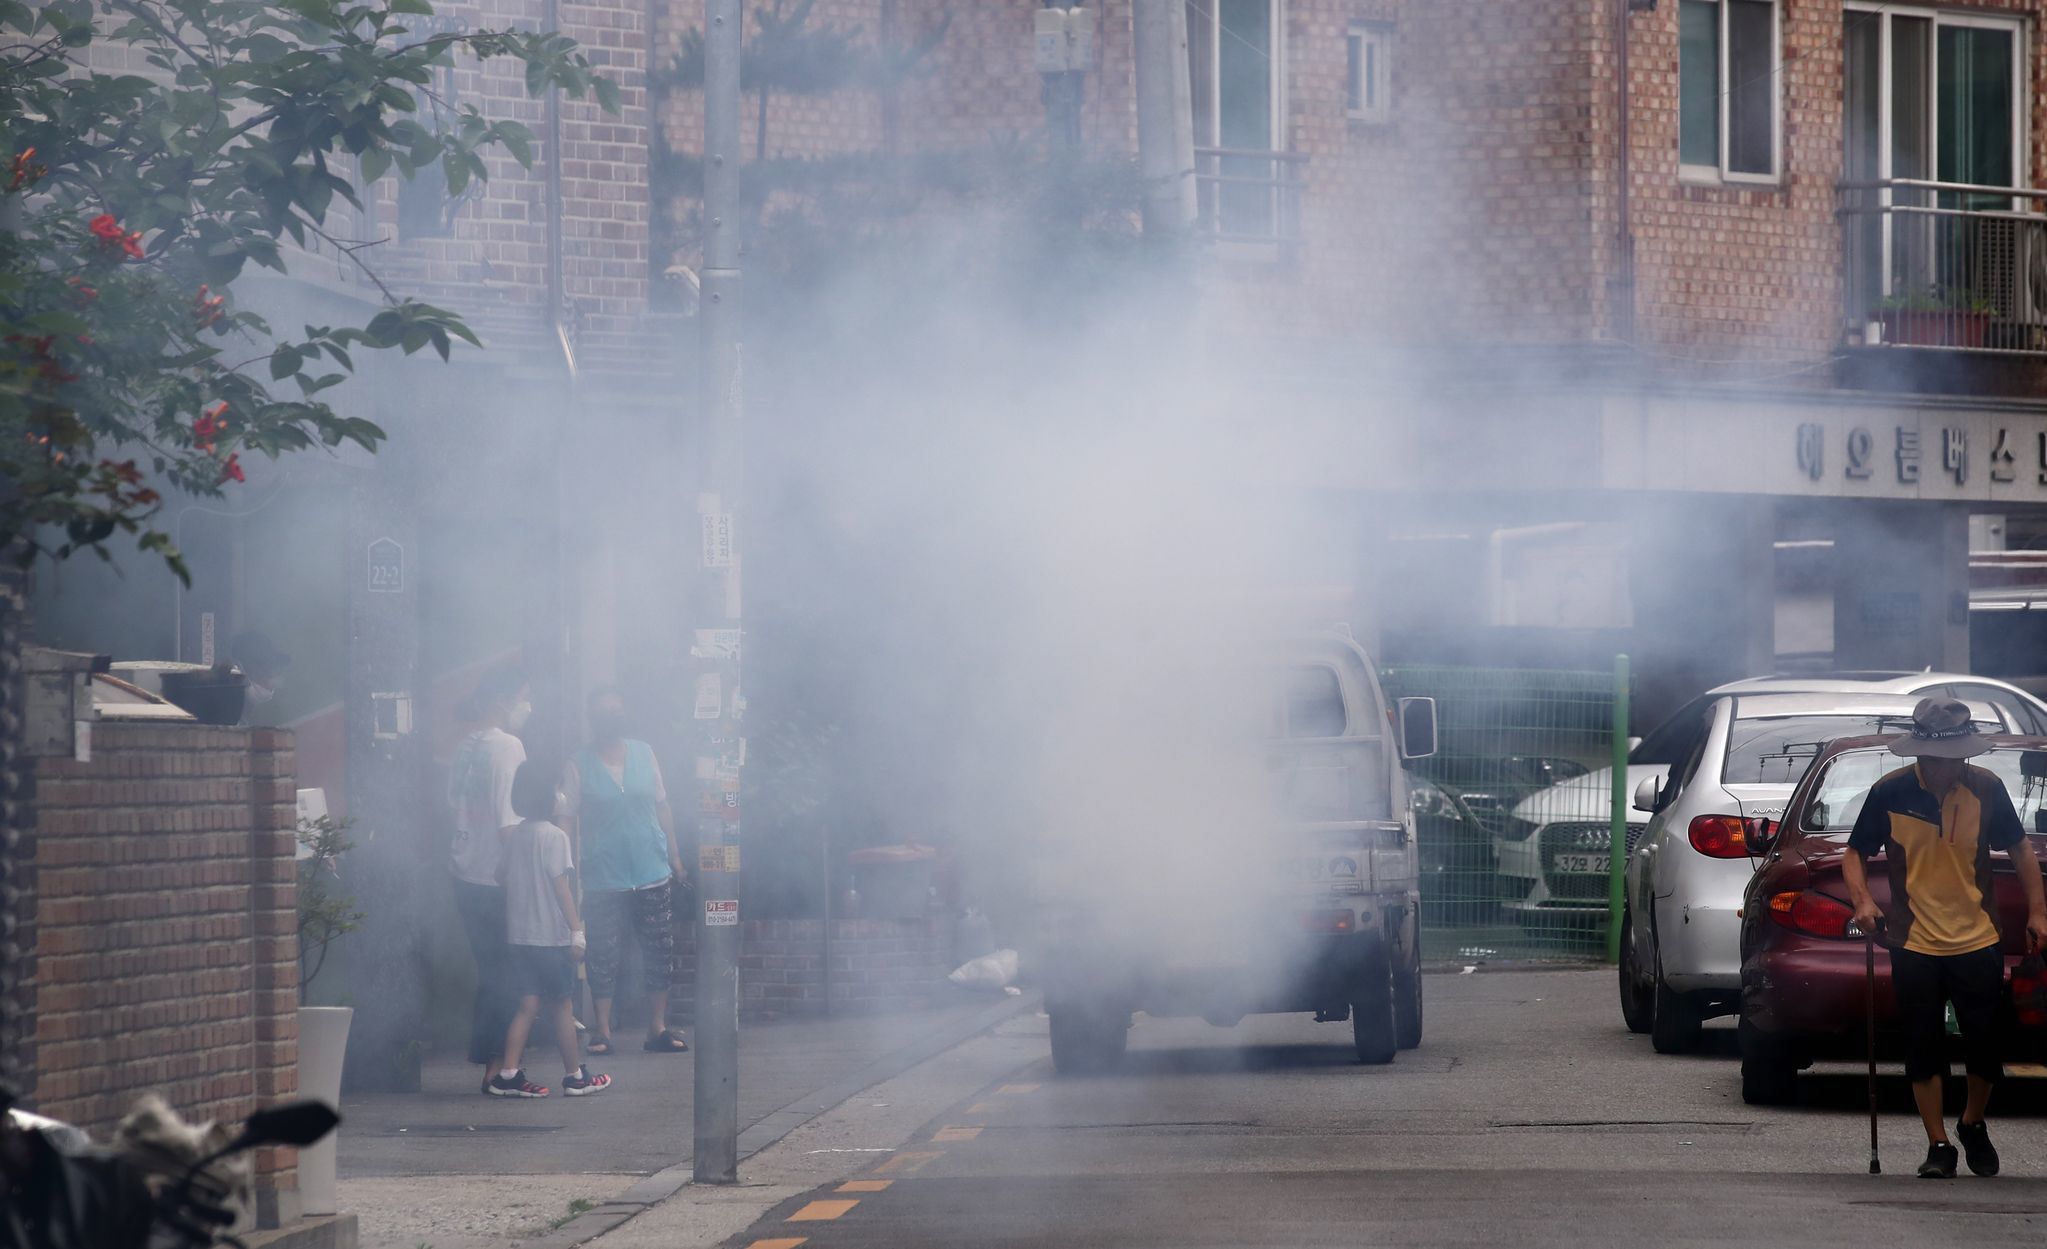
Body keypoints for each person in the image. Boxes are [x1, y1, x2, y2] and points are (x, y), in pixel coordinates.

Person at [1844, 697, 2047, 1179]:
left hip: (1978, 936)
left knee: (1986, 1043)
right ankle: (1938, 1144)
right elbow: (1855, 852)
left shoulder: (1987, 789)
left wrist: (2038, 910)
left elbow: (2019, 849)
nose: (1948, 768)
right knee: (1922, 1045)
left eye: (1957, 758)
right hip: (1913, 940)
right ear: (1919, 754)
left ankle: (1973, 1122)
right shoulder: (1889, 792)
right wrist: (1863, 902)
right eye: (1939, 759)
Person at [562, 685, 690, 1055]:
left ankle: (657, 1027)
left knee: (659, 950)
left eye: (616, 711)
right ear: (593, 720)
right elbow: (566, 819)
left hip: (651, 868)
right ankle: (602, 1029)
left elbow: (662, 806)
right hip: (603, 875)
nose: (611, 718)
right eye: (604, 713)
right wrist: (564, 865)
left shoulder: (645, 753)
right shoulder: (578, 763)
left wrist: (676, 857)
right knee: (602, 952)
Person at [489, 761, 611, 1098]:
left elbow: (500, 877)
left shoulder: (515, 837)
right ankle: (575, 1076)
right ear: (548, 795)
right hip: (550, 938)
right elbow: (562, 888)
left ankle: (508, 1074)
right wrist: (577, 931)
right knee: (563, 1006)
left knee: (527, 1005)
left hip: (519, 937)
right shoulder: (555, 837)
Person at [448, 667, 532, 1094]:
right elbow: (508, 819)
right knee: (510, 973)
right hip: (497, 876)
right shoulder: (508, 745)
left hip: (464, 873)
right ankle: (499, 1069)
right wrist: (523, 874)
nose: (527, 706)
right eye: (523, 696)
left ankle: (492, 1064)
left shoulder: (466, 746)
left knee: (492, 970)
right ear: (503, 701)